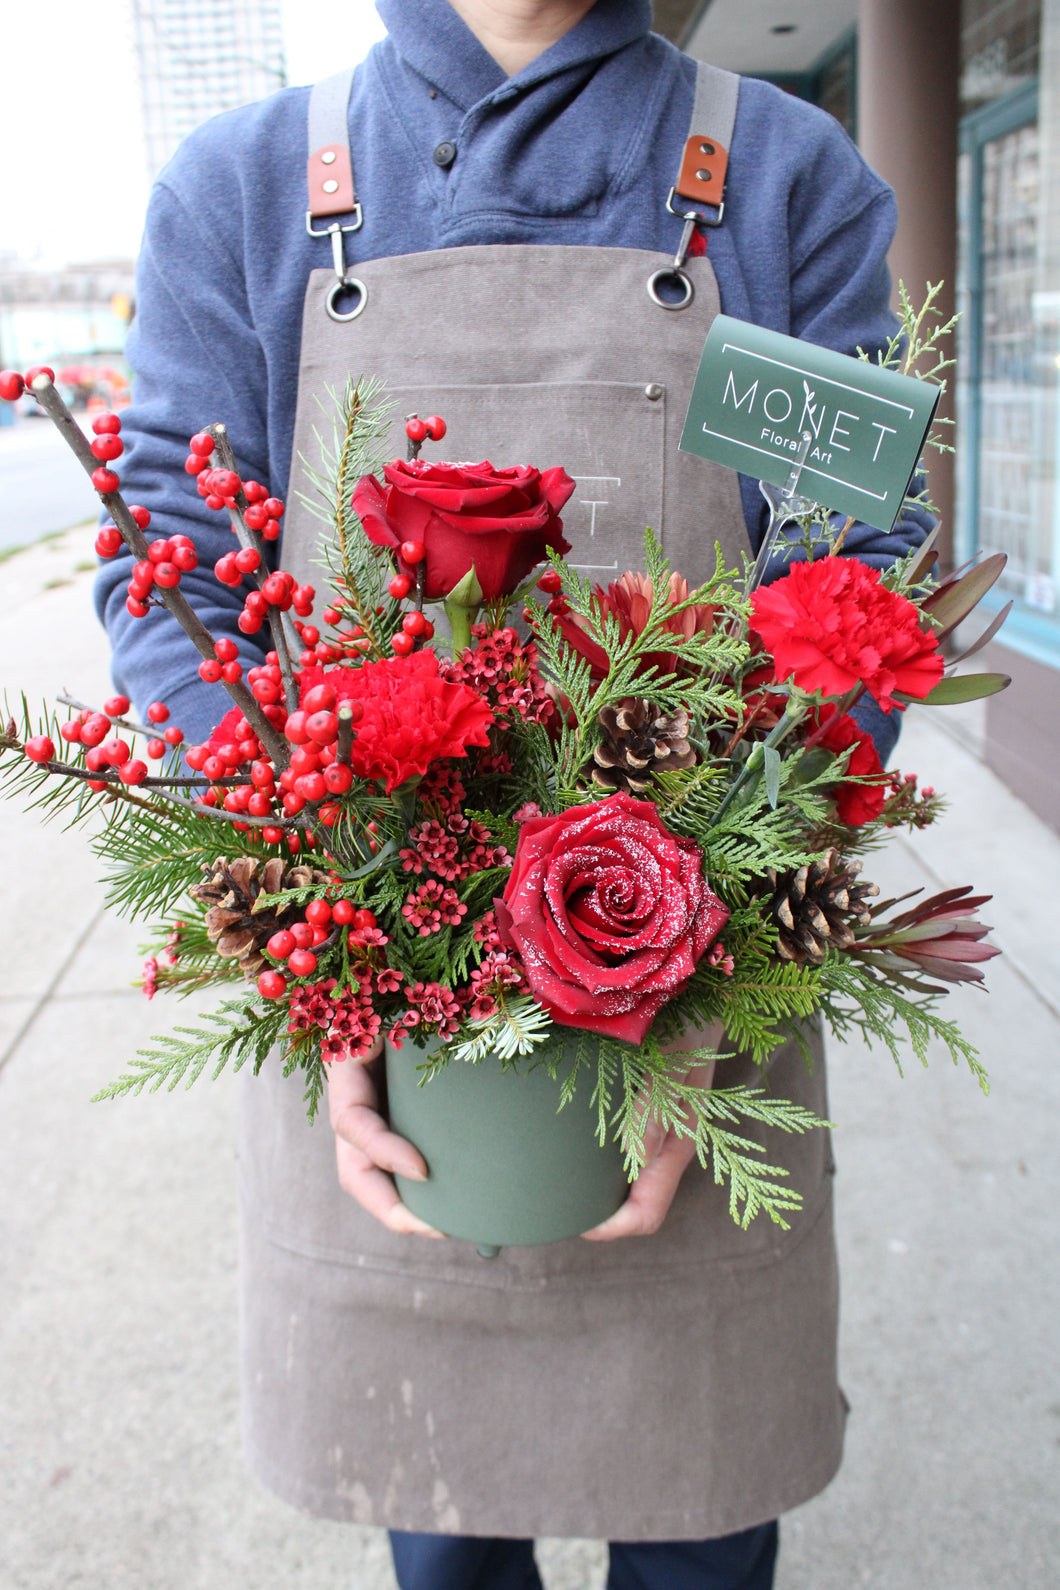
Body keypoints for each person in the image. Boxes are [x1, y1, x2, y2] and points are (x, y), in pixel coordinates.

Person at [95, 3, 931, 1586]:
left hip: (703, 1038)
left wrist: (716, 963)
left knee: (702, 1536)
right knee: (448, 1549)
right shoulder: (256, 189)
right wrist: (328, 949)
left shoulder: (773, 185)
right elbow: (175, 575)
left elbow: (854, 577)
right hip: (393, 1086)